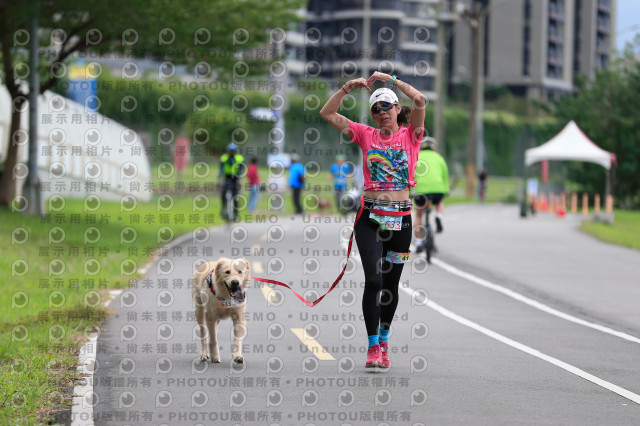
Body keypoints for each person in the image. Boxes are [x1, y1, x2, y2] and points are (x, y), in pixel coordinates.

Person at [320, 71, 425, 368]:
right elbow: (327, 113)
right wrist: (345, 88)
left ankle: (384, 340)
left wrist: (389, 81)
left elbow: (418, 99)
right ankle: (371, 347)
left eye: (386, 107)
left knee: (391, 286)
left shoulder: (412, 136)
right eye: (375, 109)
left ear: (396, 109)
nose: (380, 113)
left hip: (401, 221)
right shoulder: (365, 134)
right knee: (374, 280)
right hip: (370, 218)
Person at [413, 138, 450, 253]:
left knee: (419, 214)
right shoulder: (439, 158)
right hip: (437, 189)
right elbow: (445, 176)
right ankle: (439, 216)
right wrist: (445, 191)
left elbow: (411, 175)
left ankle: (418, 242)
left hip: (421, 191)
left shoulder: (416, 157)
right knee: (439, 202)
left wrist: (410, 192)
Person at [218, 143, 245, 221]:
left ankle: (235, 215)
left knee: (235, 196)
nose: (232, 152)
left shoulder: (239, 158)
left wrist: (239, 179)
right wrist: (219, 179)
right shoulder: (224, 158)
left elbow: (240, 169)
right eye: (230, 151)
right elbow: (221, 169)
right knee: (223, 193)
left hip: (235, 178)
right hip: (227, 177)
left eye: (233, 151)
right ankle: (223, 209)